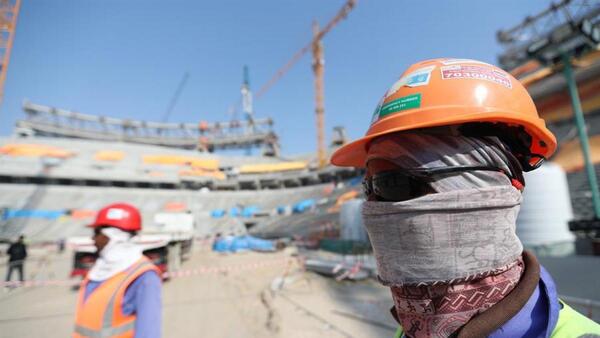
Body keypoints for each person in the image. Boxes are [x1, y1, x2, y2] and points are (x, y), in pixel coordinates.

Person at [331, 58, 600, 337]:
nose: (372, 209)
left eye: (392, 184)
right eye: (369, 189)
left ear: (490, 191)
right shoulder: (413, 329)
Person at [73, 203, 162, 338]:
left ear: (114, 236)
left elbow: (149, 332)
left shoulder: (144, 277)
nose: (93, 239)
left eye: (97, 233)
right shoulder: (98, 271)